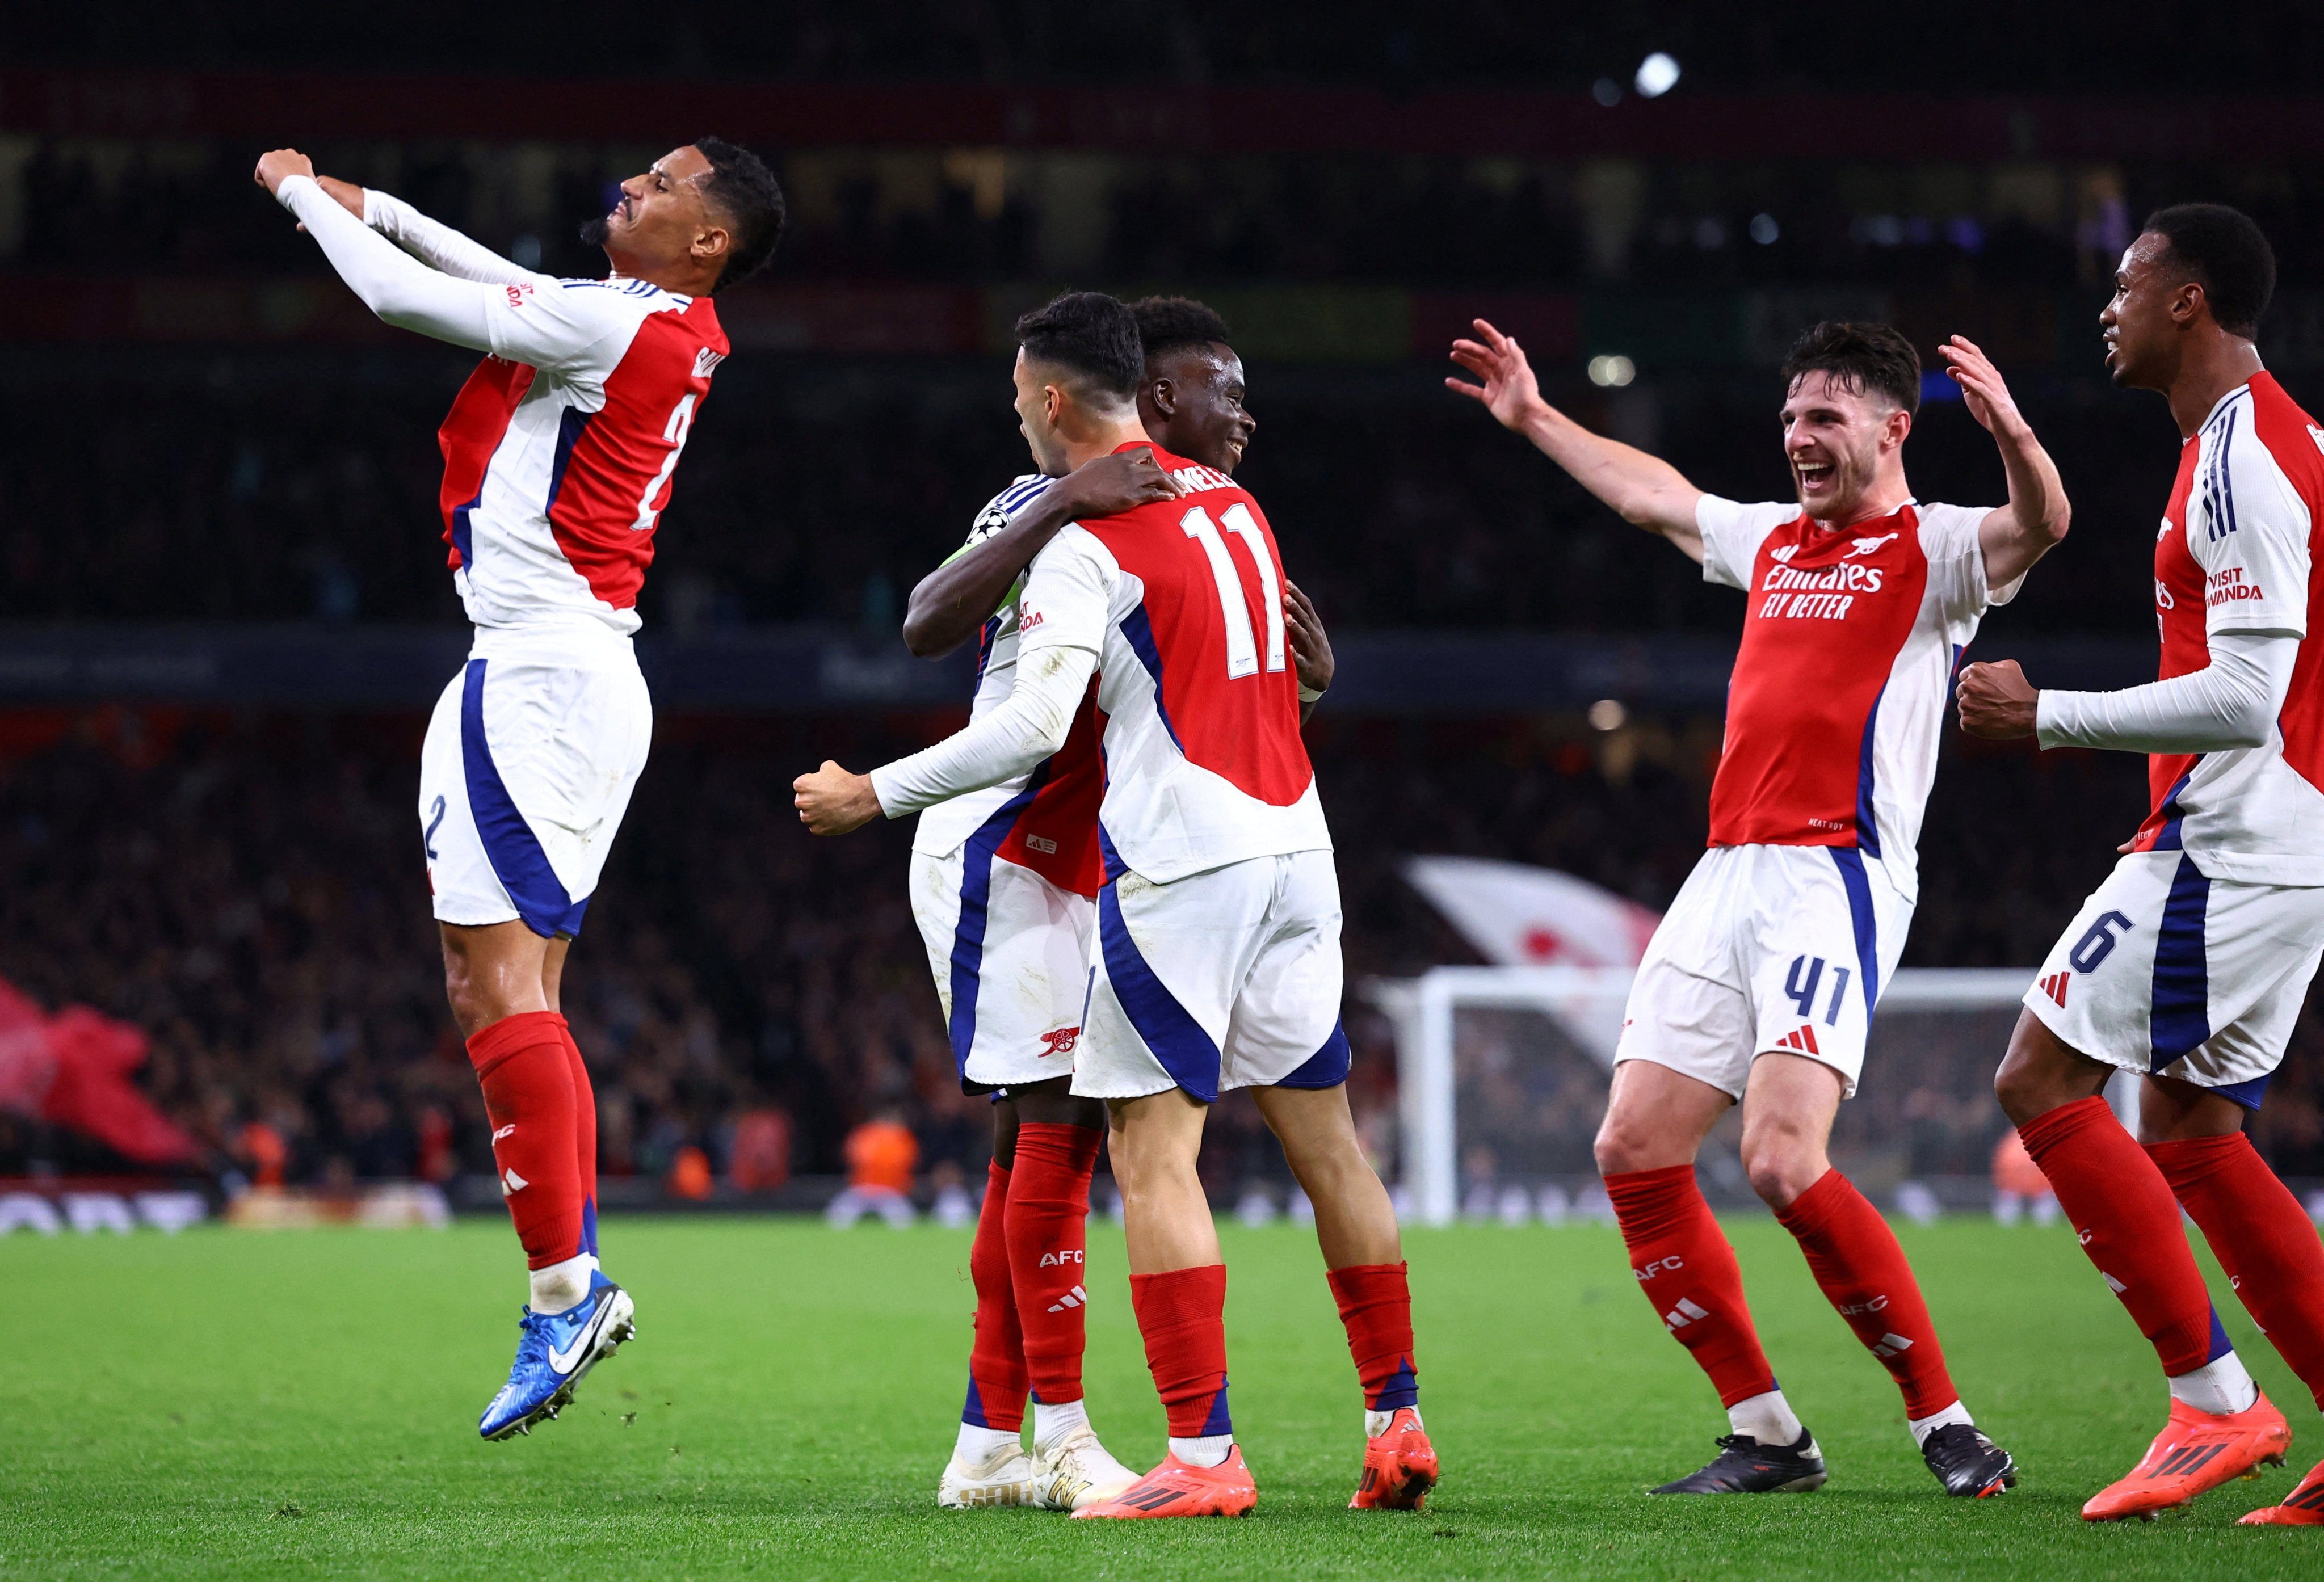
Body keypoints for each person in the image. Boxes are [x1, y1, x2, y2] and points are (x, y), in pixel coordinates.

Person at [797, 291, 1435, 1519]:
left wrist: (1307, 678)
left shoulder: (1203, 514)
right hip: (1017, 847)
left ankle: (1046, 1440)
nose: (1238, 415)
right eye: (1217, 389)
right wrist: (1056, 504)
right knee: (1058, 1127)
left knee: (1089, 1141)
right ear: (1146, 398)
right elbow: (939, 628)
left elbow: (1189, 697)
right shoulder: (1073, 512)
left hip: (1142, 853)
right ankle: (1050, 1430)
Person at [1449, 318, 2066, 1496]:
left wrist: (2014, 435)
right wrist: (1532, 413)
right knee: (1630, 1147)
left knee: (1781, 1156)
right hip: (1721, 870)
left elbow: (2039, 523)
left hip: (1830, 879)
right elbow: (1655, 497)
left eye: (1823, 417)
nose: (1797, 438)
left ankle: (1941, 1416)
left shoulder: (1933, 551)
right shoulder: (1773, 542)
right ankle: (1767, 1431)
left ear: (1892, 429)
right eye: (1788, 417)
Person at [252, 138, 785, 1440]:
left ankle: (566, 1285)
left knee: (495, 984)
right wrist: (372, 200)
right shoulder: (651, 319)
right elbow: (488, 269)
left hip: (540, 672)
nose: (631, 188)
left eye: (663, 186)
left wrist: (294, 197)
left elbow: (402, 300)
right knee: (508, 984)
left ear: (709, 238)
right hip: (572, 670)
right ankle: (565, 1279)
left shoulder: (614, 321)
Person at [1960, 203, 2324, 1525]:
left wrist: (2043, 712)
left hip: (2233, 837)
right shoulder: (2274, 443)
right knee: (2189, 1123)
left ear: (2188, 300)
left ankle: (2213, 1403)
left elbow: (2242, 693)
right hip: (2283, 835)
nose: (2105, 305)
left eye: (2125, 282)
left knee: (2039, 1071)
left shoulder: (2240, 459)